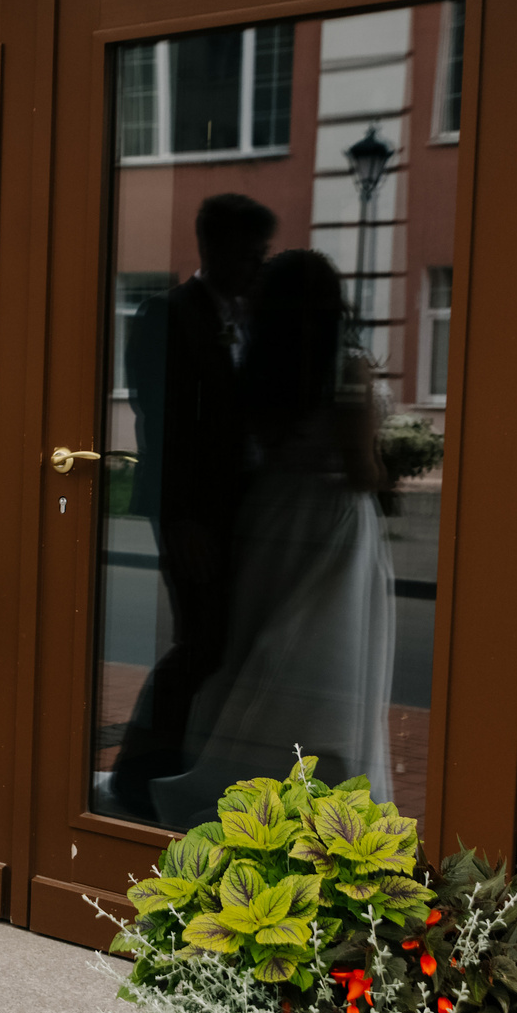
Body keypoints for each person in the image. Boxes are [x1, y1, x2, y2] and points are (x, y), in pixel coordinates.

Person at [148, 247, 396, 828]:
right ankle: (322, 797)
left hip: (272, 513)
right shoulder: (348, 364)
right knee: (323, 659)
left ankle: (250, 786)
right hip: (332, 520)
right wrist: (390, 464)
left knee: (264, 646)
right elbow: (362, 470)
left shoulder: (261, 364)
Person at [109, 192, 276, 819]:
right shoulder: (167, 313)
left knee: (229, 639)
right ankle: (140, 770)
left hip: (250, 507)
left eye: (260, 251)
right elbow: (160, 418)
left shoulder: (255, 312)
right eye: (246, 250)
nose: (255, 261)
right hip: (191, 510)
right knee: (200, 641)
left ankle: (200, 763)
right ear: (213, 248)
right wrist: (180, 518)